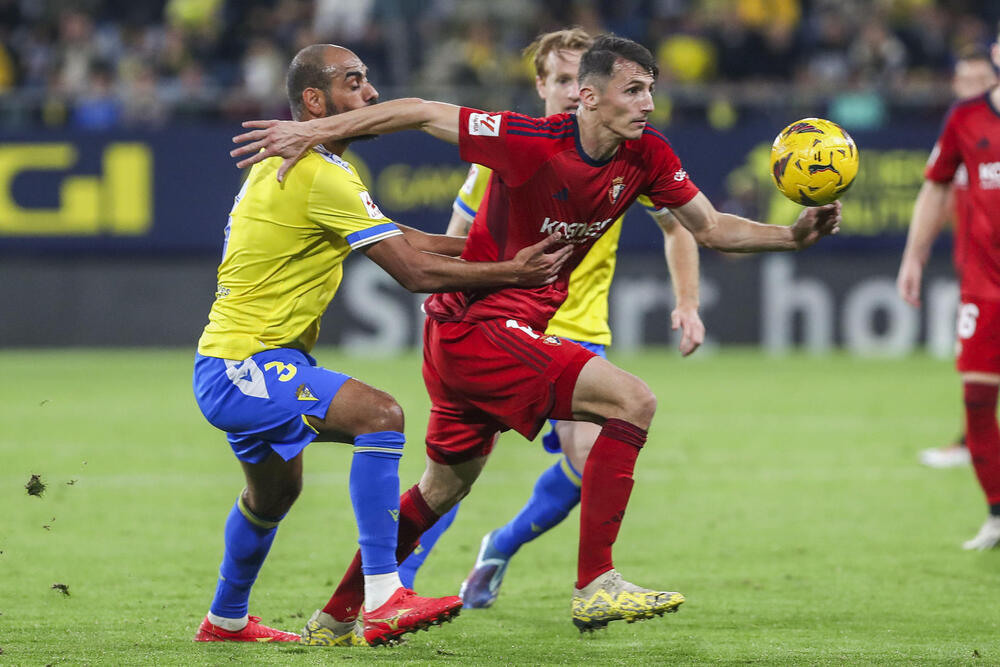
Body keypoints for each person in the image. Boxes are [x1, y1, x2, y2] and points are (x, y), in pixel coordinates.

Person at [231, 34, 841, 633]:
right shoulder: (528, 142)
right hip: (482, 326)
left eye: (651, 90)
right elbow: (419, 112)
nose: (648, 104)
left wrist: (790, 235)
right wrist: (315, 132)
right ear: (589, 97)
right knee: (632, 400)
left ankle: (335, 618)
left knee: (442, 488)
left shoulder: (648, 154)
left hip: (479, 334)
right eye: (633, 91)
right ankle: (595, 583)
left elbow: (708, 227)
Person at [192, 44, 570, 647]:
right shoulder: (316, 170)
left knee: (274, 494)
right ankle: (383, 594)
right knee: (381, 416)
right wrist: (513, 274)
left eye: (368, 81)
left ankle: (225, 621)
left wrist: (498, 251)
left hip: (254, 360)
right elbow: (414, 272)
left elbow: (410, 238)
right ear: (314, 101)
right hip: (244, 362)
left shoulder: (323, 167)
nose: (370, 95)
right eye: (354, 83)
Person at [394, 27, 705, 609]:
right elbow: (456, 244)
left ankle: (502, 547)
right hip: (495, 323)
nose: (567, 91)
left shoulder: (620, 149)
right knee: (455, 472)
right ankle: (399, 584)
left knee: (590, 456)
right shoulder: (505, 153)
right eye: (559, 79)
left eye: (574, 79)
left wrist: (687, 301)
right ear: (542, 85)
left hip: (576, 327)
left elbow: (681, 225)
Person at [897, 30, 1000, 550]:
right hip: (986, 288)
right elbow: (935, 186)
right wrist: (913, 257)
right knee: (977, 400)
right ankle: (997, 513)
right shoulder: (966, 118)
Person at [917, 46, 998, 470]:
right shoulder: (963, 127)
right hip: (977, 266)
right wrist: (918, 253)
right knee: (978, 371)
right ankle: (971, 441)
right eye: (963, 82)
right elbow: (935, 190)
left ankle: (971, 443)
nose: (970, 90)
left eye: (978, 82)